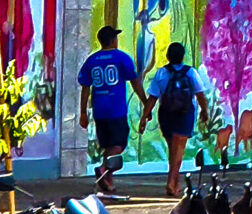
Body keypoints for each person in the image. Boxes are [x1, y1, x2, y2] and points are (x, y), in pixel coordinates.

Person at [142, 40, 214, 197]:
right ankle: (171, 183)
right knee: (178, 150)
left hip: (166, 114)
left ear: (168, 56)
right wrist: (204, 111)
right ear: (182, 56)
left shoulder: (161, 73)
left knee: (173, 150)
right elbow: (200, 94)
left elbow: (152, 97)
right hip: (184, 113)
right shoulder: (190, 72)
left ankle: (175, 182)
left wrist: (144, 116)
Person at [77, 25, 140, 195]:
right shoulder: (122, 58)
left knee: (108, 145)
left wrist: (83, 112)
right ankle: (104, 169)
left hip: (99, 109)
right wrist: (145, 101)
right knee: (119, 144)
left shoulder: (92, 60)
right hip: (116, 109)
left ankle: (107, 180)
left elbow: (85, 87)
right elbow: (134, 81)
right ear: (113, 40)